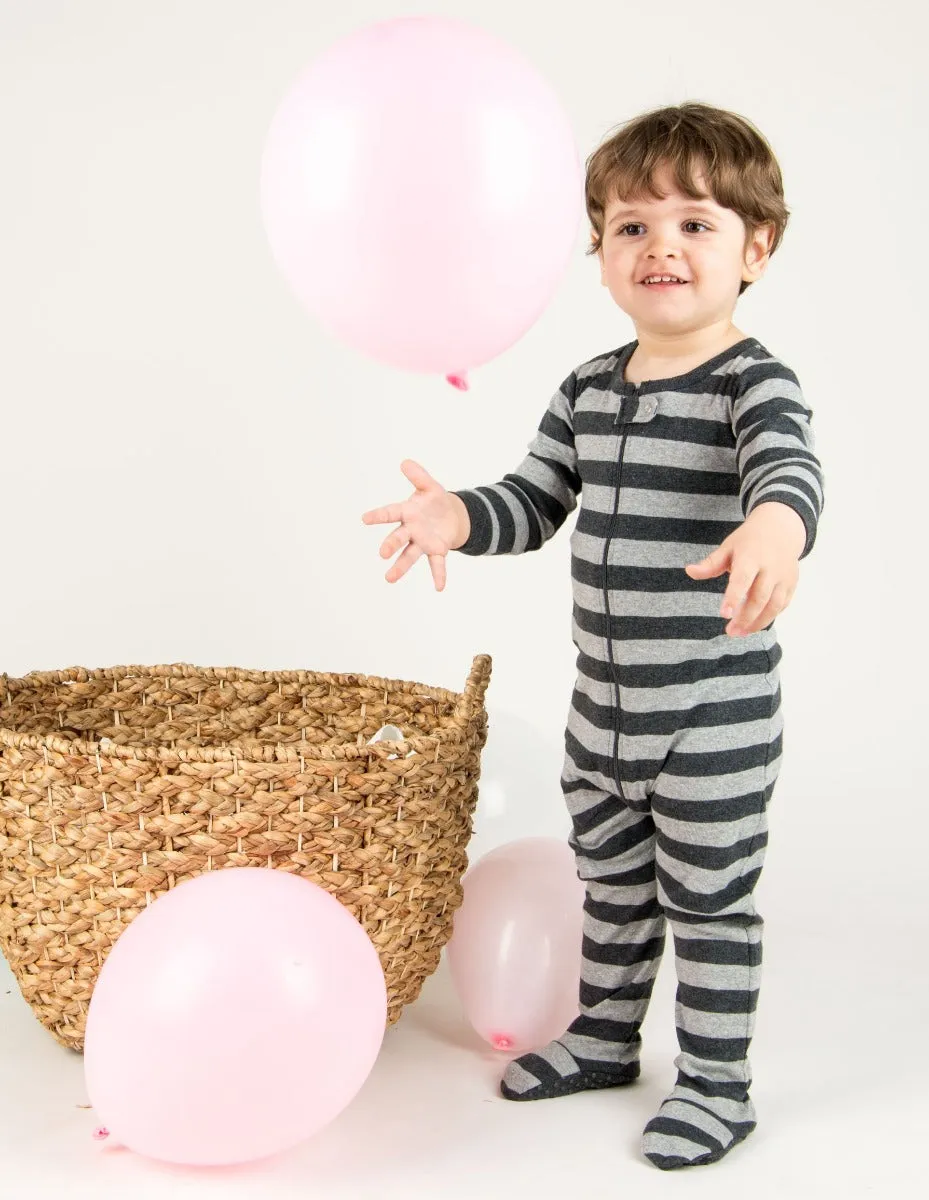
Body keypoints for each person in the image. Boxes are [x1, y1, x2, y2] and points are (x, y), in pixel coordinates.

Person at [361, 101, 825, 1171]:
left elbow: (787, 467)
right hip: (603, 714)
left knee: (707, 906)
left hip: (711, 715)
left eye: (695, 224)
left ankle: (715, 1084)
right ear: (599, 254)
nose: (659, 245)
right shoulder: (584, 390)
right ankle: (606, 1037)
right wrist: (456, 516)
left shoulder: (752, 383)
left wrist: (773, 523)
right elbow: (533, 499)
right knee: (609, 888)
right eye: (630, 226)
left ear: (756, 248)